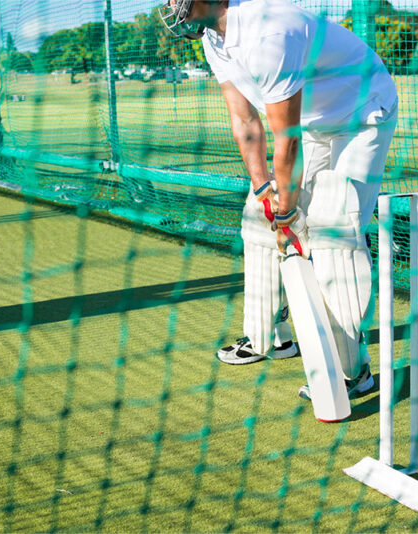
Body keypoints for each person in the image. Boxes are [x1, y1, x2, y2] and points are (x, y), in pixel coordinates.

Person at [160, 0, 398, 399]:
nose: (168, 5)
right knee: (257, 217)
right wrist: (263, 191)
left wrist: (286, 214)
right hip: (314, 122)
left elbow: (287, 141)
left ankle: (352, 372)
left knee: (330, 229)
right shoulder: (214, 40)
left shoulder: (268, 31)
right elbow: (245, 120)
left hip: (360, 115)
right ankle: (269, 335)